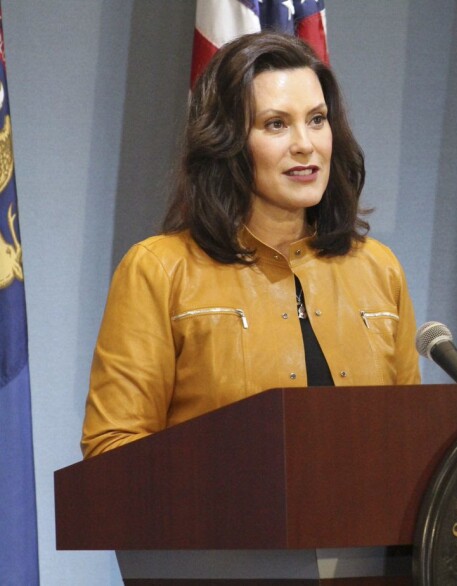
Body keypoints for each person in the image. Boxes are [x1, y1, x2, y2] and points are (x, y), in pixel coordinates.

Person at [81, 32, 420, 459]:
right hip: (216, 525)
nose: (305, 144)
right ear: (229, 142)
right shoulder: (159, 270)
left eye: (317, 119)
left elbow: (411, 441)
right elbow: (112, 449)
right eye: (276, 124)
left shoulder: (379, 270)